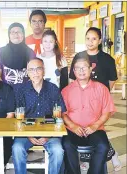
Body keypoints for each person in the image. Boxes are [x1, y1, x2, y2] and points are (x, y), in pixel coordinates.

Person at [69, 27, 121, 171]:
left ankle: (103, 156)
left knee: (96, 128)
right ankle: (108, 155)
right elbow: (72, 79)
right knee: (84, 127)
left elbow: (111, 81)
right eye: (87, 38)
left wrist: (100, 94)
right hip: (81, 98)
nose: (90, 42)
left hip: (99, 101)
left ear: (99, 41)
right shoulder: (79, 56)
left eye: (94, 39)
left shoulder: (107, 59)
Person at [62, 55, 116, 174]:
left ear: (91, 69)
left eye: (84, 68)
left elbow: (106, 112)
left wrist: (95, 126)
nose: (81, 71)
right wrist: (72, 126)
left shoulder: (102, 89)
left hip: (95, 130)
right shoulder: (66, 91)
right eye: (78, 68)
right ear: (74, 71)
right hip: (72, 130)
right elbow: (63, 114)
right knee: (66, 145)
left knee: (103, 146)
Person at [13, 58, 66, 174]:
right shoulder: (21, 90)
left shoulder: (53, 89)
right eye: (31, 70)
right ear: (27, 72)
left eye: (38, 69)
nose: (35, 73)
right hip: (26, 132)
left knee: (58, 151)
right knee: (17, 149)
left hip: (49, 133)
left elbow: (59, 116)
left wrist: (48, 135)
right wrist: (28, 135)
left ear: (44, 71)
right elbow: (17, 118)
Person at [0, 22, 35, 91]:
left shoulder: (30, 52)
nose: (16, 34)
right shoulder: (1, 51)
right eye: (12, 32)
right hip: (5, 92)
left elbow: (33, 73)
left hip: (25, 92)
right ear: (9, 35)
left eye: (19, 32)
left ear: (23, 34)